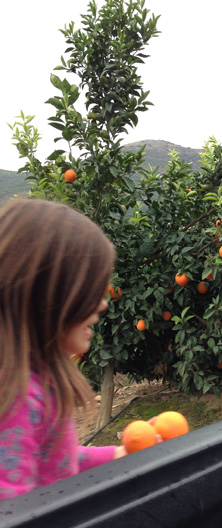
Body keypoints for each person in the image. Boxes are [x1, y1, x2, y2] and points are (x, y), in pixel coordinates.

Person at [0, 197, 129, 500]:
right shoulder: (18, 397)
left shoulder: (36, 380)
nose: (102, 304)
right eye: (90, 292)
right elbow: (13, 525)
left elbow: (59, 462)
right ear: (45, 296)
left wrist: (120, 454)